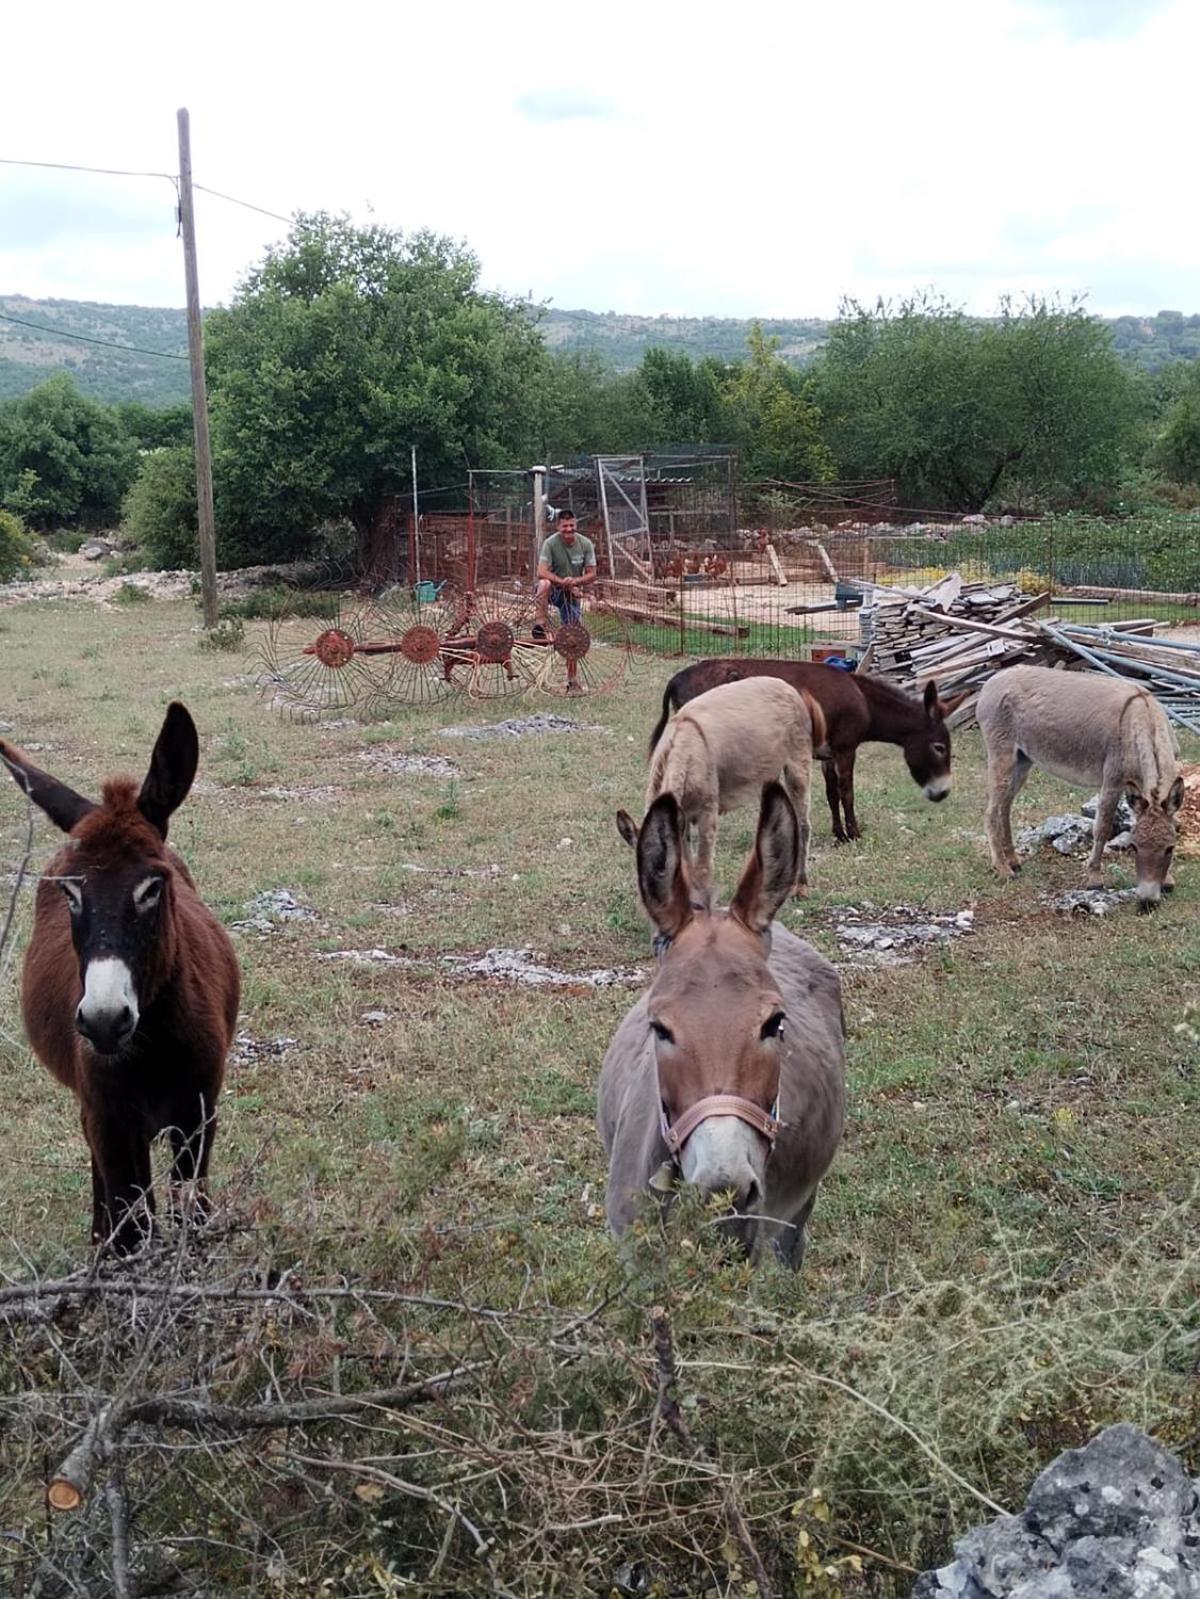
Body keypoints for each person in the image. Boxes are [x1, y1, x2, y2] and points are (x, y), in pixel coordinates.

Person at [533, 511, 597, 693]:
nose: (568, 530)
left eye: (571, 526)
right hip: (554, 590)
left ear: (576, 525)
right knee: (543, 584)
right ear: (558, 527)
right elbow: (541, 571)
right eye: (565, 526)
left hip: (571, 594)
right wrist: (562, 582)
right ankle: (540, 625)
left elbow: (593, 573)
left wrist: (574, 582)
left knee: (573, 636)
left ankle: (572, 680)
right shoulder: (550, 543)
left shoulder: (585, 544)